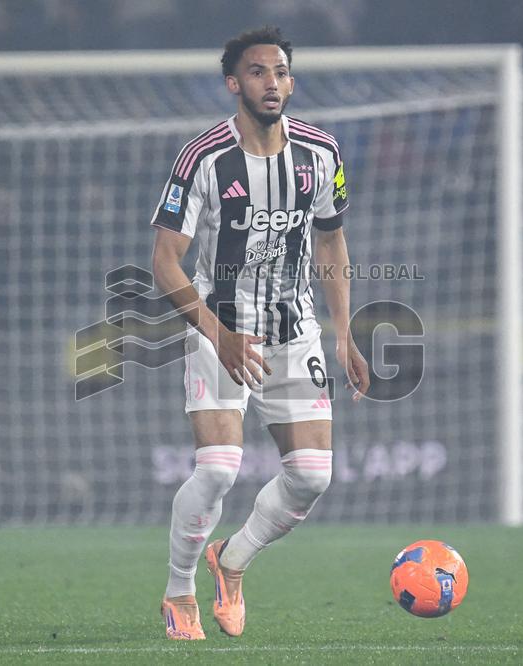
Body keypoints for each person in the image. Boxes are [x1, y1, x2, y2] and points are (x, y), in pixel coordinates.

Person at [149, 25, 370, 640]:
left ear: (291, 82)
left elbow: (331, 239)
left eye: (280, 72)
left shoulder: (322, 153)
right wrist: (218, 335)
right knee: (219, 468)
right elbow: (165, 260)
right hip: (220, 324)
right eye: (256, 72)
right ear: (233, 83)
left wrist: (344, 333)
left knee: (313, 476)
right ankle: (178, 592)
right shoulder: (203, 158)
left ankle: (233, 559)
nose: (270, 82)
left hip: (293, 327)